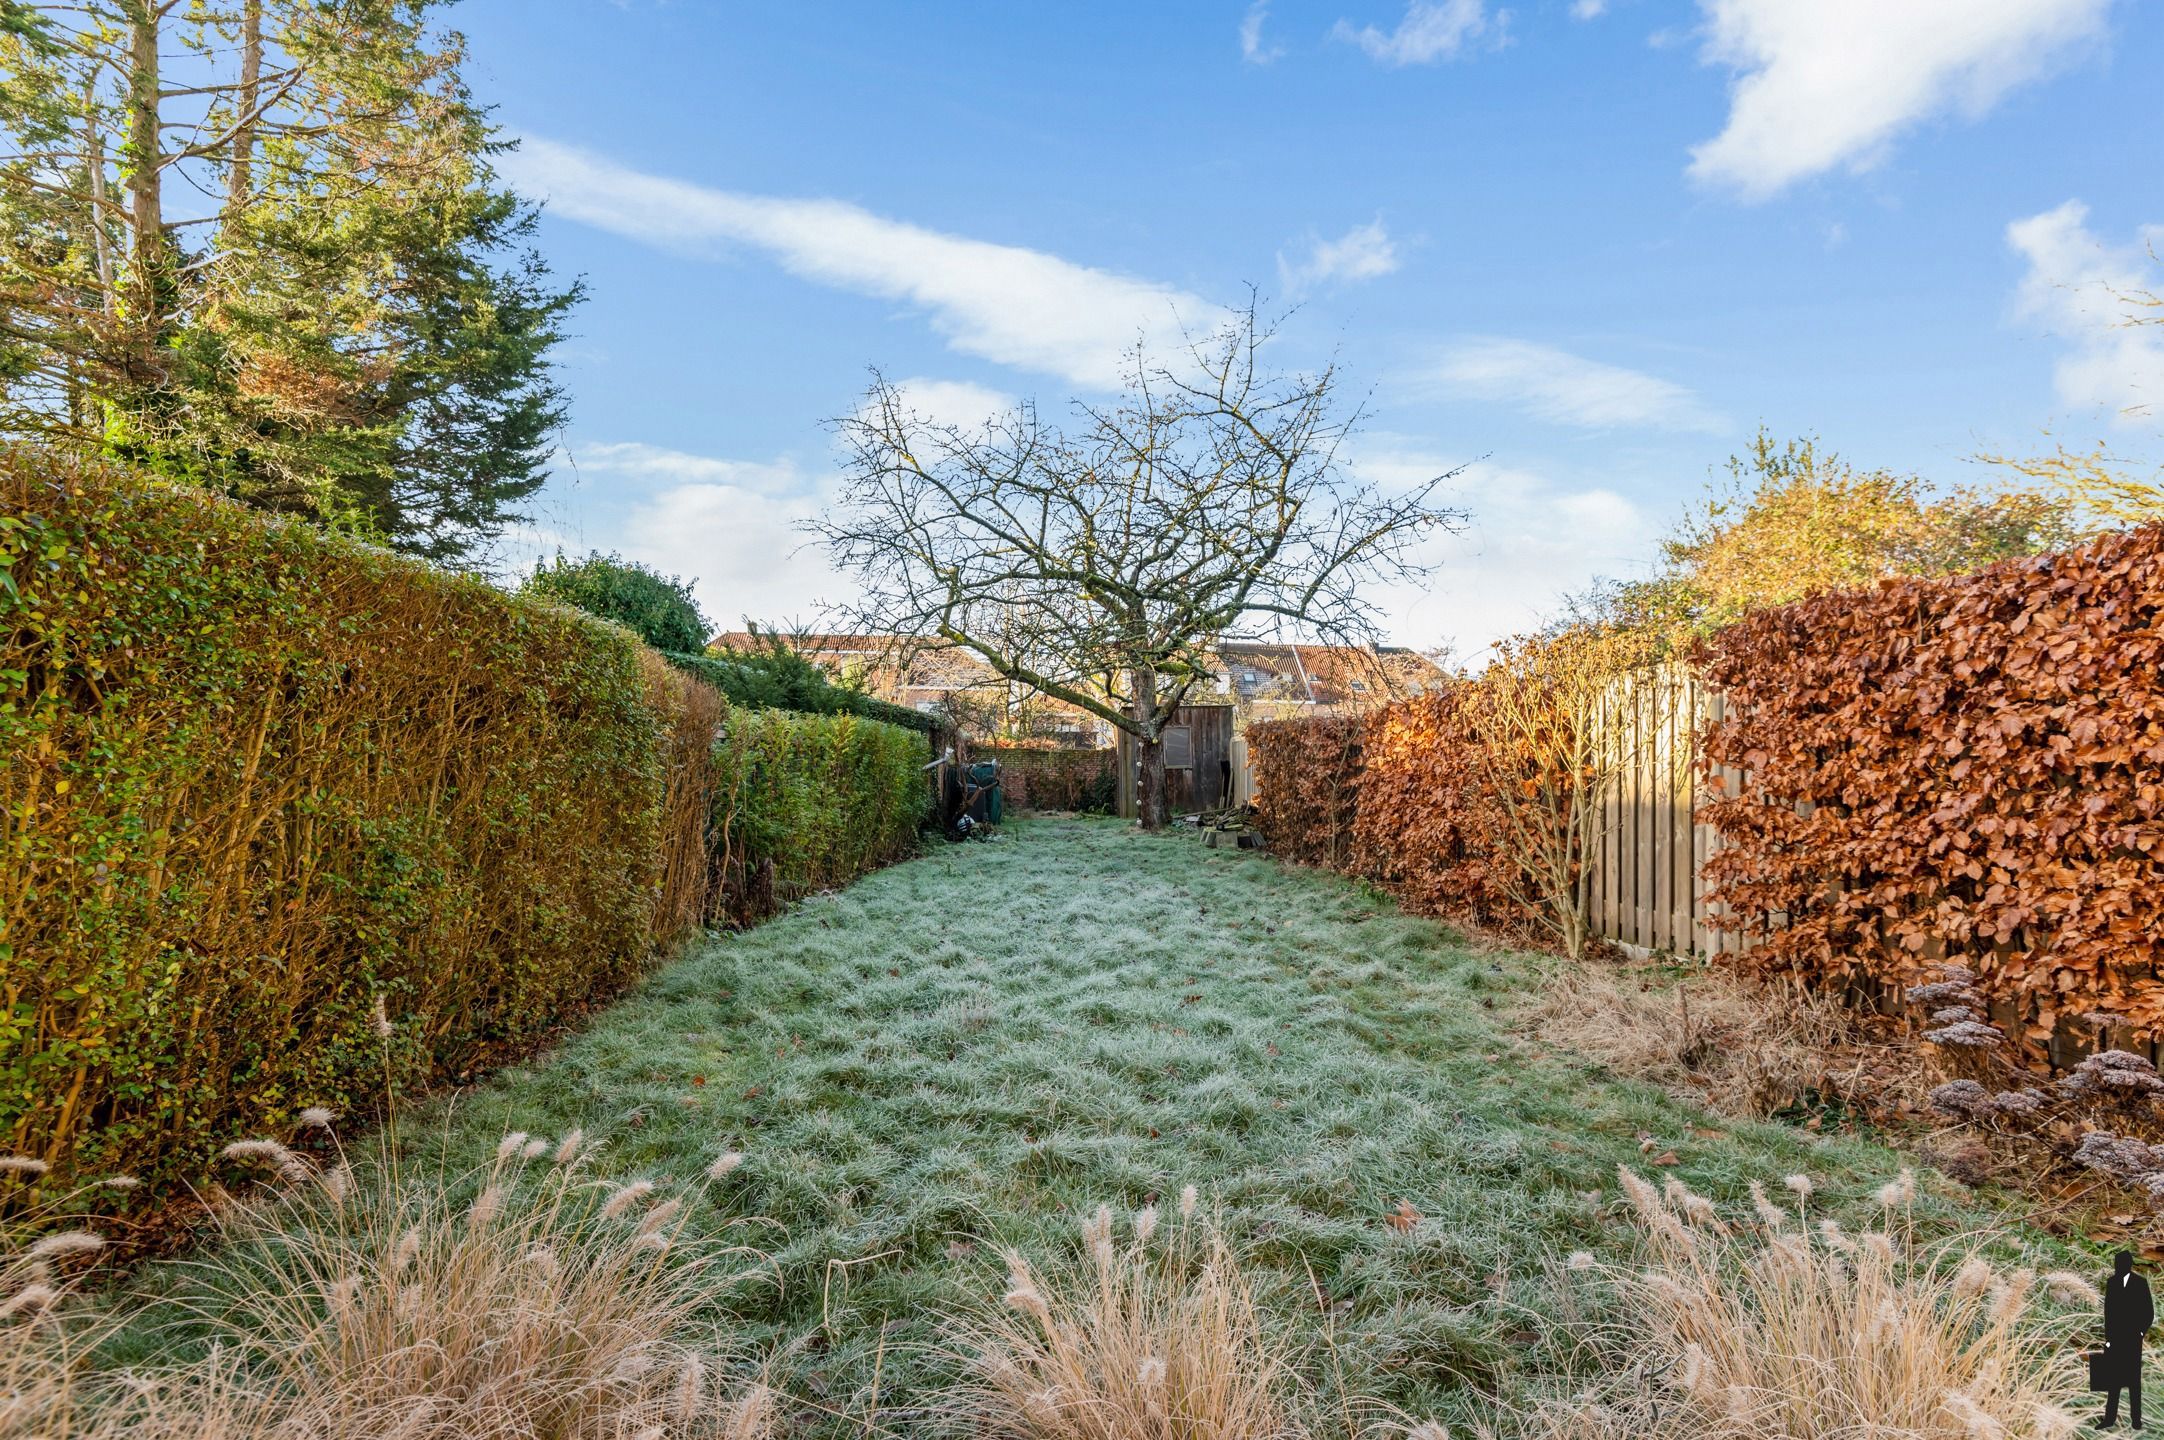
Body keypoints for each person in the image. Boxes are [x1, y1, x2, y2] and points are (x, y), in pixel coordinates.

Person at [2103, 1249, 2153, 1430]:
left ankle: (2136, 1420)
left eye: (2121, 1264)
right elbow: (2109, 1313)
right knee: (2113, 1380)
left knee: (2133, 1381)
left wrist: (2140, 1333)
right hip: (2115, 1339)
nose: (2118, 1267)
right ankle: (2109, 1418)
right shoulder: (2112, 1282)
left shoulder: (2140, 1283)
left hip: (2132, 1339)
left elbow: (2148, 1312)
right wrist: (2108, 1338)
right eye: (2116, 1264)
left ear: (2128, 1264)